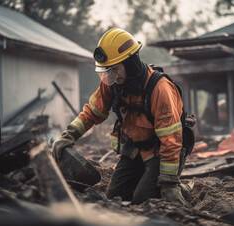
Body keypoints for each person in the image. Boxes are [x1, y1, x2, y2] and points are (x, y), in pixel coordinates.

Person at [52, 28, 187, 206]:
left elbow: (171, 139)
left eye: (115, 69)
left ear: (131, 63)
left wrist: (169, 183)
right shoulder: (114, 82)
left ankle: (180, 188)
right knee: (115, 197)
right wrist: (68, 135)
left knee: (142, 200)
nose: (111, 75)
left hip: (161, 153)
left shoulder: (159, 88)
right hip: (135, 151)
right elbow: (92, 112)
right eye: (107, 70)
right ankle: (147, 179)